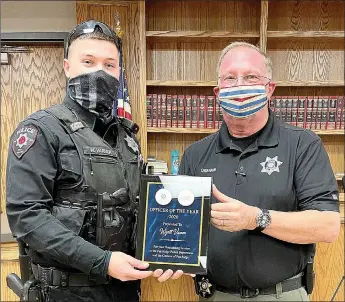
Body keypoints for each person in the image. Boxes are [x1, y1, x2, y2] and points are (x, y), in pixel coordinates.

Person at [6, 20, 183, 302]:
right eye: (88, 61)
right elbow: (26, 217)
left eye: (109, 64)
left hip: (124, 290)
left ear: (119, 72)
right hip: (65, 293)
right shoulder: (41, 130)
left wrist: (168, 254)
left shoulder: (127, 138)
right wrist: (102, 262)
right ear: (67, 67)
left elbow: (139, 208)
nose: (100, 72)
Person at [179, 41, 340, 301]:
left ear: (269, 89)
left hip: (280, 294)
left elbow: (328, 226)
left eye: (251, 76)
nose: (240, 85)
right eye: (230, 78)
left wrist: (256, 218)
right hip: (215, 295)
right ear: (218, 92)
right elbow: (182, 228)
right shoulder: (195, 155)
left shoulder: (302, 145)